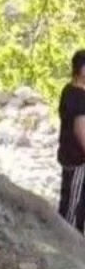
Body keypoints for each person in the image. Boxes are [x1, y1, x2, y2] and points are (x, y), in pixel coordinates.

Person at [57, 49, 85, 231]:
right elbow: (80, 129)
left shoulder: (69, 90)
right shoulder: (78, 96)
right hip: (78, 160)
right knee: (73, 209)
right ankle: (67, 247)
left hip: (70, 156)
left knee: (73, 204)